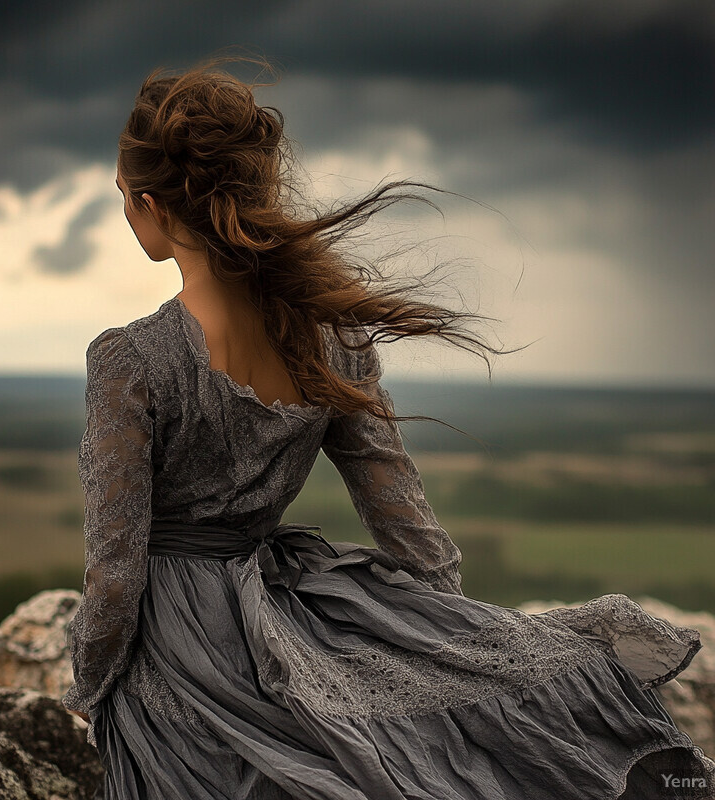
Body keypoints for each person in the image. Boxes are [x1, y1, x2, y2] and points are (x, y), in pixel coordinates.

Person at [61, 54, 715, 800]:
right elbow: (408, 527)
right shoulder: (333, 340)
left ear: (148, 204)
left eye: (122, 197)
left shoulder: (129, 359)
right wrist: (451, 642)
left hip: (185, 647)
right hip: (281, 613)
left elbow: (115, 575)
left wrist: (90, 689)